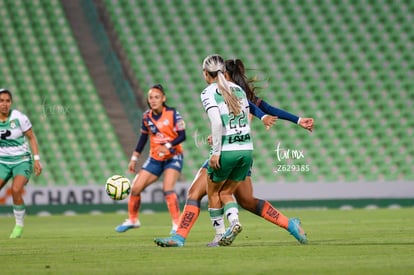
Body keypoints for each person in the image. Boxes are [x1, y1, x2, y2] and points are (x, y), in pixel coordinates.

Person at [154, 58, 313, 247]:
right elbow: (264, 109)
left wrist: (218, 142)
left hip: (226, 151)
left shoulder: (229, 91)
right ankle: (290, 224)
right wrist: (297, 120)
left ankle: (183, 236)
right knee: (246, 201)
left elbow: (262, 111)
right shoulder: (238, 92)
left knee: (196, 193)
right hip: (242, 151)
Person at [115, 84, 186, 234]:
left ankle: (176, 224)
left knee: (167, 188)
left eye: (157, 97)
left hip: (173, 156)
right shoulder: (147, 117)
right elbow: (142, 138)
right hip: (155, 158)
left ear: (163, 98)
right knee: (135, 188)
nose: (153, 100)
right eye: (151, 98)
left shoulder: (173, 114)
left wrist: (167, 145)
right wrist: (134, 158)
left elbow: (182, 135)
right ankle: (133, 220)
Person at [0, 88, 42, 238]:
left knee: (16, 190)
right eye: (1, 101)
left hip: (22, 161)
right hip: (2, 162)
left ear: (11, 103)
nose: (4, 104)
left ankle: (19, 225)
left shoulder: (19, 117)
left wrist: (37, 161)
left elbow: (31, 137)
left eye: (7, 101)